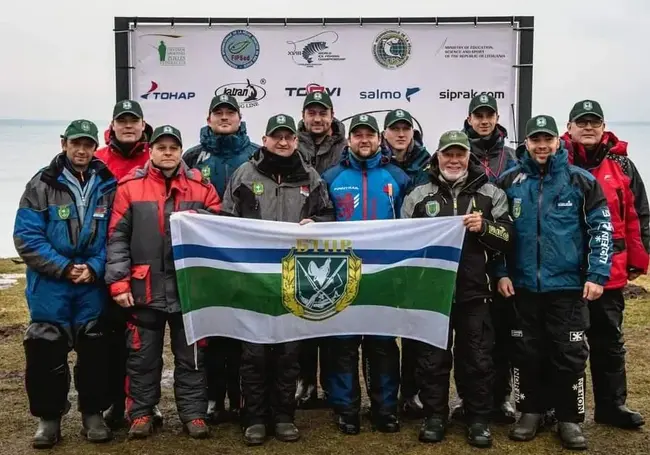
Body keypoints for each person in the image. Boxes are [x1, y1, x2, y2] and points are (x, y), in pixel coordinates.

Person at [496, 115, 613, 450]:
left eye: (547, 139)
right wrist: (501, 272)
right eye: (536, 140)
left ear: (558, 142)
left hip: (568, 288)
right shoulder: (510, 181)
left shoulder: (581, 181)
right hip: (522, 288)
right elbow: (499, 235)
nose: (542, 146)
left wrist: (597, 275)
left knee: (569, 354)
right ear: (527, 143)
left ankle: (570, 419)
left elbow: (601, 229)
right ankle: (529, 412)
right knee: (525, 352)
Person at [220, 113, 335, 445]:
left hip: (294, 281)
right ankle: (254, 418)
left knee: (288, 353)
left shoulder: (311, 177)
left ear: (295, 141)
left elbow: (327, 215)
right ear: (265, 139)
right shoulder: (244, 175)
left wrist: (316, 222)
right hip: (253, 280)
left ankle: (284, 416)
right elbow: (227, 222)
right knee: (254, 354)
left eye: (288, 137)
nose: (283, 142)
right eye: (276, 137)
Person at [104, 125, 221, 440]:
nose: (167, 153)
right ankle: (141, 413)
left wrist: (211, 283)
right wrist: (119, 283)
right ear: (151, 150)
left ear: (181, 150)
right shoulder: (129, 188)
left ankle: (193, 414)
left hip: (188, 291)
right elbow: (116, 239)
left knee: (192, 356)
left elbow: (218, 237)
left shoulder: (202, 188)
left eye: (173, 147)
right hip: (144, 289)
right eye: (161, 147)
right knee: (142, 357)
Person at [400, 130, 513, 448]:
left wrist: (485, 227)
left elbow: (508, 238)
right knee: (432, 357)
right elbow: (403, 240)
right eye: (447, 154)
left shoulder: (491, 192)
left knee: (477, 358)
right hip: (432, 293)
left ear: (468, 157)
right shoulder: (419, 194)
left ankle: (478, 418)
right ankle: (435, 416)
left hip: (475, 291)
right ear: (437, 157)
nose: (453, 160)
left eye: (459, 154)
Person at [13, 120, 116, 448]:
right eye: (76, 144)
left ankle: (93, 414)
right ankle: (49, 419)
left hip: (91, 282)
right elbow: (26, 236)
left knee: (96, 348)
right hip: (50, 283)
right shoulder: (41, 183)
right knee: (45, 350)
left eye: (88, 144)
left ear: (95, 145)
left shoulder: (107, 183)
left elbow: (116, 234)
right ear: (64, 144)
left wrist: (95, 267)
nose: (82, 150)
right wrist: (63, 268)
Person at [561, 100, 649, 429]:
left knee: (609, 343)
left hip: (609, 273)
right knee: (565, 345)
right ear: (568, 128)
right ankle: (563, 409)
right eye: (581, 122)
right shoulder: (557, 162)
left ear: (603, 126)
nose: (587, 128)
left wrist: (640, 258)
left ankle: (613, 406)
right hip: (567, 273)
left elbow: (639, 214)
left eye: (593, 122)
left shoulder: (623, 166)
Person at [321, 113, 410, 435]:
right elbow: (321, 219)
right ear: (349, 140)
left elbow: (410, 225)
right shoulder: (331, 176)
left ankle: (385, 408)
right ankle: (346, 410)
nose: (364, 140)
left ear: (379, 138)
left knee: (383, 345)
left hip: (384, 275)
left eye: (369, 135)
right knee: (343, 345)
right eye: (357, 135)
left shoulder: (397, 177)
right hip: (341, 274)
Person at [183, 94, 258, 423]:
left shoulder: (257, 153)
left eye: (230, 112)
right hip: (208, 258)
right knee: (213, 330)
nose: (224, 117)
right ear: (208, 117)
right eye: (219, 113)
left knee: (244, 330)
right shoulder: (193, 156)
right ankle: (214, 397)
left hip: (249, 256)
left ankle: (242, 395)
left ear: (240, 118)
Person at [445, 93, 519, 425]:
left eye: (489, 114)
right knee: (472, 343)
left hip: (498, 267)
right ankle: (466, 398)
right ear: (470, 118)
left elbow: (508, 222)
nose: (484, 120)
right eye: (479, 115)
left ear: (497, 117)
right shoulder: (458, 155)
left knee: (498, 338)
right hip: (468, 273)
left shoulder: (512, 158)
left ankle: (500, 397)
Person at [94, 99, 159, 430]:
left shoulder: (158, 157)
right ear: (113, 125)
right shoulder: (97, 160)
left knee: (142, 342)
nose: (129, 126)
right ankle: (114, 403)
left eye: (134, 121)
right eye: (123, 121)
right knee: (109, 338)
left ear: (143, 125)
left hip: (144, 264)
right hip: (104, 259)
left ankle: (144, 404)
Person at [295, 90, 347, 408]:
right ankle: (305, 382)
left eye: (322, 112)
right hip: (298, 238)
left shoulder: (345, 145)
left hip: (333, 237)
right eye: (311, 112)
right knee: (301, 312)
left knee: (330, 313)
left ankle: (329, 382)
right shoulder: (290, 142)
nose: (317, 118)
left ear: (331, 115)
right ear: (304, 115)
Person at [379, 108, 430, 418]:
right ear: (384, 133)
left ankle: (412, 392)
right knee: (381, 332)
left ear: (413, 132)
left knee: (414, 330)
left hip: (416, 258)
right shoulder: (376, 163)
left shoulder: (428, 163)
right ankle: (384, 396)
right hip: (382, 257)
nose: (400, 134)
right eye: (394, 129)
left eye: (405, 129)